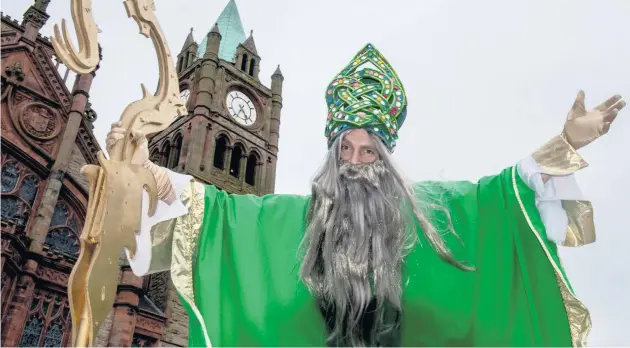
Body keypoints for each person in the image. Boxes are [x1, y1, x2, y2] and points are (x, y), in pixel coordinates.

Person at [107, 43, 625, 347]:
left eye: (369, 152)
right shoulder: (298, 219)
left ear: (386, 157)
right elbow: (216, 211)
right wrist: (142, 173)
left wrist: (565, 145)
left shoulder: (428, 216)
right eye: (346, 150)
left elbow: (500, 196)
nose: (355, 163)